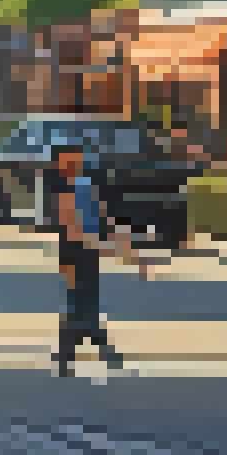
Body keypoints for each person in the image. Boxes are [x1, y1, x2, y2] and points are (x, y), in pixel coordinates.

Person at [49, 143, 142, 377]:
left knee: (87, 300)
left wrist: (114, 240)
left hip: (88, 250)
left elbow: (101, 215)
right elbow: (68, 225)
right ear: (60, 165)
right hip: (75, 251)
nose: (73, 165)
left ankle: (87, 350)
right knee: (78, 302)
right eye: (68, 162)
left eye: (76, 161)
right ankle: (73, 354)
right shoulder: (63, 190)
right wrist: (97, 243)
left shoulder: (85, 186)